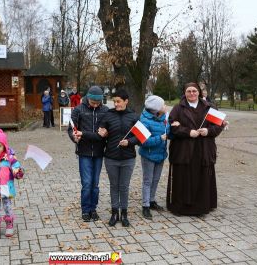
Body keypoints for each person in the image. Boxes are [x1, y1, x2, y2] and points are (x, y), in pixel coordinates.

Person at [167, 82, 224, 216]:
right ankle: (181, 207)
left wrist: (208, 131)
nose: (192, 93)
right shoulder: (178, 108)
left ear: (199, 92)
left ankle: (201, 207)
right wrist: (188, 132)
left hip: (204, 149)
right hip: (184, 150)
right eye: (189, 91)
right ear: (184, 93)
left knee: (202, 177)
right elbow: (172, 127)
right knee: (183, 178)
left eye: (194, 91)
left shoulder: (209, 107)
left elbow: (219, 126)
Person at [98, 89, 139, 227]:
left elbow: (140, 136)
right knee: (114, 186)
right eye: (114, 101)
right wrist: (102, 132)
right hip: (111, 157)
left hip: (128, 158)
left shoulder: (133, 116)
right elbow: (101, 129)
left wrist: (130, 142)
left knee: (124, 186)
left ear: (126, 101)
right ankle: (114, 212)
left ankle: (124, 213)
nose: (116, 104)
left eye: (119, 101)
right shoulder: (108, 115)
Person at [68, 86, 108, 222]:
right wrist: (74, 137)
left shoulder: (105, 111)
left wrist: (85, 134)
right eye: (93, 102)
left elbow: (101, 135)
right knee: (86, 183)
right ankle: (85, 210)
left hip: (98, 152)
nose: (95, 105)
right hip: (84, 152)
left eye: (98, 103)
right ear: (88, 98)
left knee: (95, 184)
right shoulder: (79, 110)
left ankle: (93, 209)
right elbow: (71, 128)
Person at [138, 95, 177, 219]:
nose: (165, 106)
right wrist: (159, 138)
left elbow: (168, 132)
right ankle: (145, 206)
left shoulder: (164, 118)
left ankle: (152, 200)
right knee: (148, 180)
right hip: (148, 155)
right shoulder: (144, 121)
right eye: (163, 105)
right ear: (156, 109)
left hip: (160, 154)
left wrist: (173, 126)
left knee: (155, 179)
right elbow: (143, 142)